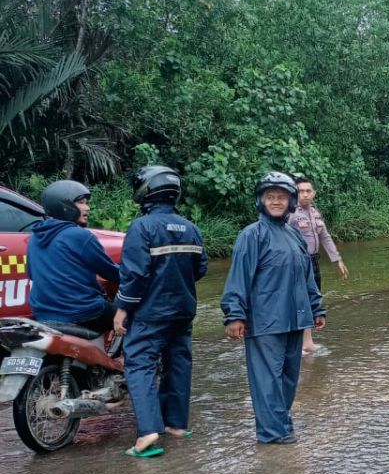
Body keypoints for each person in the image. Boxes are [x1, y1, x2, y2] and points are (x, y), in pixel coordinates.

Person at [221, 172, 326, 444]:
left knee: (290, 377)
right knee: (267, 379)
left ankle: (282, 422)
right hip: (265, 320)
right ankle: (271, 432)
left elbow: (308, 277)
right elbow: (239, 277)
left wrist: (316, 308)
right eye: (271, 197)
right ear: (261, 200)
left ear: (290, 201)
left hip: (295, 318)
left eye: (281, 197)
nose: (276, 202)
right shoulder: (251, 235)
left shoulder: (294, 235)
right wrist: (235, 314)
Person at [112, 166, 207, 458]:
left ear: (145, 192)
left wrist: (122, 309)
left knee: (139, 365)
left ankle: (148, 432)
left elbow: (135, 275)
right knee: (178, 363)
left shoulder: (142, 228)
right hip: (183, 311)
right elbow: (200, 269)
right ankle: (176, 425)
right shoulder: (190, 227)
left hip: (151, 312)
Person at [27, 180, 121, 333]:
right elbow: (110, 272)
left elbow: (32, 274)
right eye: (81, 203)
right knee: (132, 317)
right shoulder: (79, 236)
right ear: (65, 206)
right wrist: (136, 276)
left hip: (42, 314)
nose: (87, 208)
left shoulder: (34, 238)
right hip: (82, 311)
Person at [288, 177, 348, 354]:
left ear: (314, 193)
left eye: (308, 191)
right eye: (301, 191)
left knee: (312, 300)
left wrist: (337, 260)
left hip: (313, 261)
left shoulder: (314, 212)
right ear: (294, 193)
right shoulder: (290, 214)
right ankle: (295, 343)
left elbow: (325, 236)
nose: (305, 194)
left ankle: (307, 342)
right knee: (298, 301)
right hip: (296, 263)